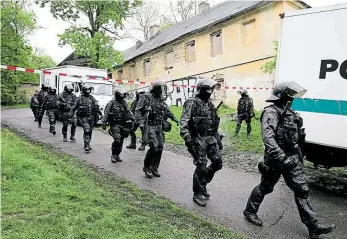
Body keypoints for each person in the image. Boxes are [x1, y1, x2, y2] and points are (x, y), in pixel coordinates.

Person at [243, 81, 336, 238]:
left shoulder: (290, 113)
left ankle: (313, 227)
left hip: (292, 158)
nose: (292, 99)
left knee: (302, 190)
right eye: (290, 96)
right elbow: (268, 137)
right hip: (276, 158)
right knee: (266, 186)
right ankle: (250, 211)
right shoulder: (271, 112)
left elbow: (297, 137)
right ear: (283, 96)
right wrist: (281, 157)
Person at [180, 78, 223, 207]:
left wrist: (218, 138)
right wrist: (188, 140)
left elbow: (213, 123)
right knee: (201, 166)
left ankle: (203, 182)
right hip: (197, 139)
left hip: (210, 138)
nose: (210, 92)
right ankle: (197, 193)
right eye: (208, 89)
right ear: (202, 89)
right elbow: (183, 123)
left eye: (211, 89)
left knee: (217, 163)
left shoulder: (210, 104)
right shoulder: (191, 103)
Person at [135, 80, 179, 178]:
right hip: (150, 126)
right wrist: (141, 123)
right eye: (160, 88)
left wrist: (173, 118)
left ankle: (154, 167)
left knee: (160, 148)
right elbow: (138, 111)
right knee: (154, 147)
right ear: (156, 88)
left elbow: (166, 110)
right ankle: (146, 167)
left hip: (159, 126)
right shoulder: (145, 97)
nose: (162, 90)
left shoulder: (161, 99)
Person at [102, 88, 134, 163]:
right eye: (121, 94)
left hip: (123, 124)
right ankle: (113, 154)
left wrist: (133, 119)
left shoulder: (124, 103)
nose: (123, 96)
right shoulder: (111, 103)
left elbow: (129, 112)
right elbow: (106, 113)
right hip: (114, 124)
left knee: (121, 140)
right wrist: (104, 123)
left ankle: (118, 154)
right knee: (117, 139)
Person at [70, 83, 102, 153]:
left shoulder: (92, 98)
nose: (88, 91)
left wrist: (100, 113)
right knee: (86, 130)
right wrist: (71, 116)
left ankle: (87, 143)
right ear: (84, 90)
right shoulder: (79, 98)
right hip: (83, 117)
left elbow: (96, 107)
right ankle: (86, 145)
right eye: (87, 89)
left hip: (92, 117)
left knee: (90, 131)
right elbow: (73, 108)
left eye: (89, 89)